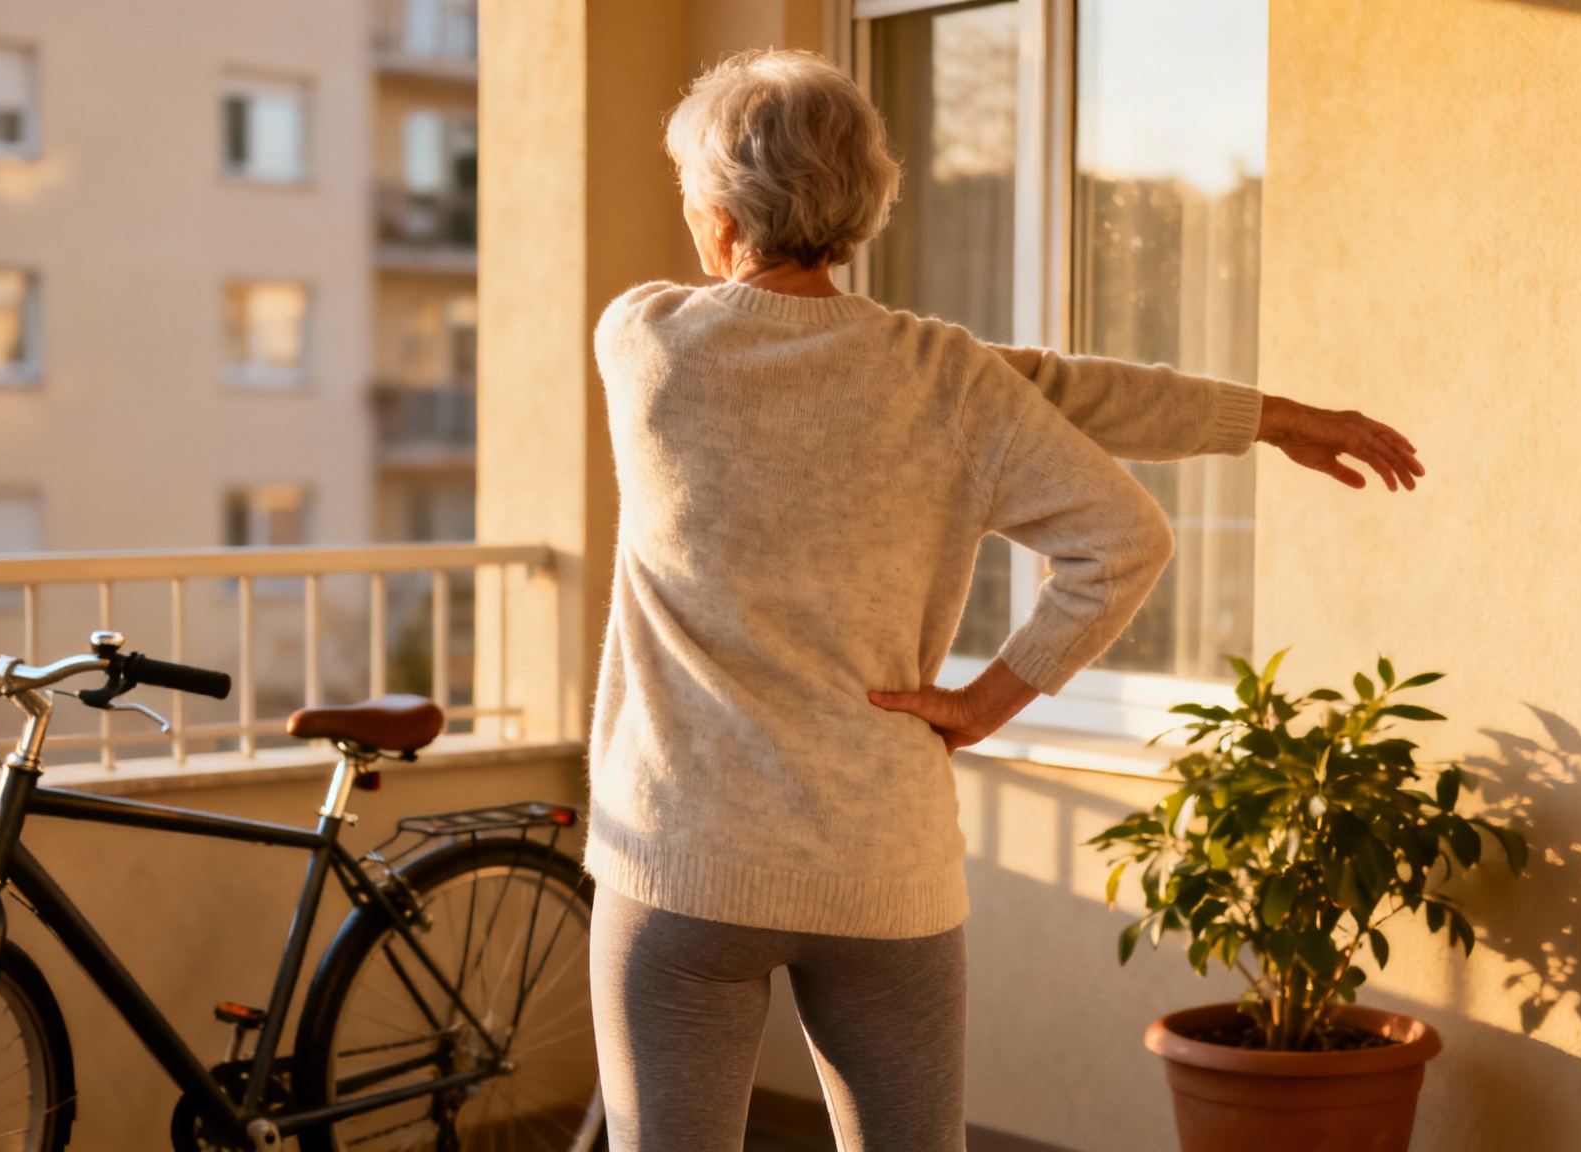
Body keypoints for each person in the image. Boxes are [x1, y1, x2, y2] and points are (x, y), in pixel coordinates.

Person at [585, 49, 1422, 1151]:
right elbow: (1110, 509)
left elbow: (1010, 389)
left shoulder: (642, 339)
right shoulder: (944, 377)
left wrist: (1262, 417)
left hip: (680, 861)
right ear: (860, 203)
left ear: (721, 218)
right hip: (884, 871)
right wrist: (987, 703)